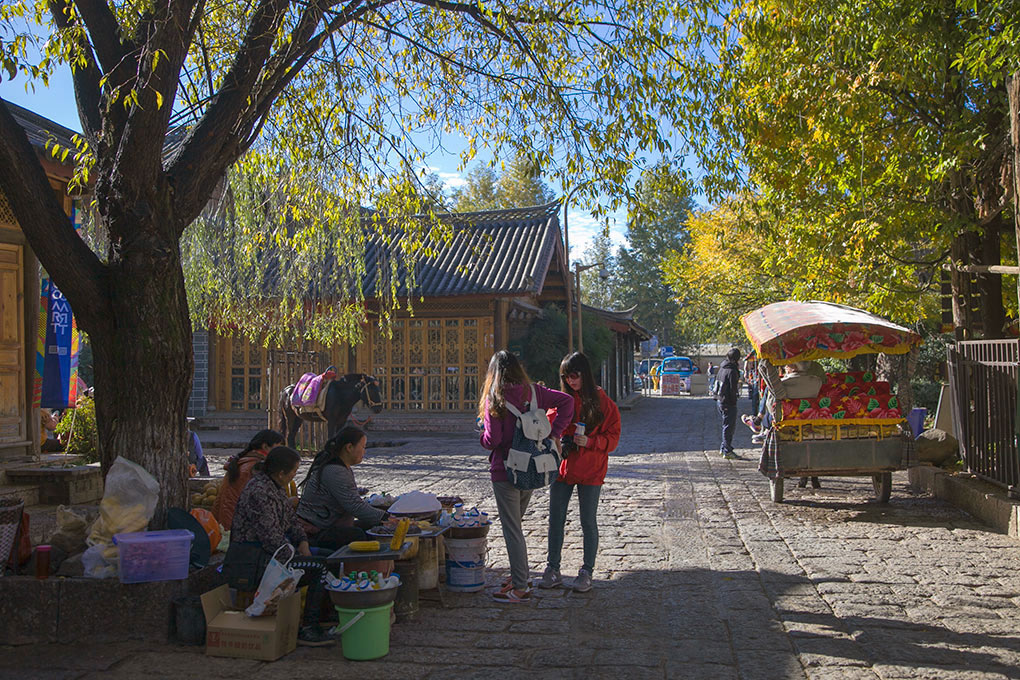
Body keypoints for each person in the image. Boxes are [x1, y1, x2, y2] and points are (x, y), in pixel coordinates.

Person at [479, 350, 573, 603]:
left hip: (505, 470)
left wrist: (482, 436)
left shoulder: (495, 398)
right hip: (532, 466)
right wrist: (554, 433)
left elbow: (493, 440)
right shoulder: (534, 392)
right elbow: (567, 402)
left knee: (512, 530)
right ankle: (519, 575)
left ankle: (521, 586)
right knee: (516, 527)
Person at [226, 445, 334, 646]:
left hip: (275, 552)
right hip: (258, 561)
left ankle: (323, 615)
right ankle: (308, 628)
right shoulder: (259, 491)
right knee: (319, 567)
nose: (294, 476)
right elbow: (272, 539)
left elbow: (292, 521)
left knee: (331, 557)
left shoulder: (275, 486)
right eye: (293, 472)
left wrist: (303, 543)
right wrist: (298, 557)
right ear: (281, 472)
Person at [540, 352, 620, 594]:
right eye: (566, 376)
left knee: (588, 522)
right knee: (555, 520)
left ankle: (587, 571)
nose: (571, 381)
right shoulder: (561, 401)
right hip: (562, 470)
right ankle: (552, 568)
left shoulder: (604, 403)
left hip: (591, 471)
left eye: (574, 375)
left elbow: (613, 438)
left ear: (584, 374)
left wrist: (591, 442)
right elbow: (547, 427)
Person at [297, 426, 386, 551]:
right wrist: (386, 518)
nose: (364, 452)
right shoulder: (334, 471)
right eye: (363, 447)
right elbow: (355, 506)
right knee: (358, 534)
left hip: (330, 525)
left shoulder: (342, 467)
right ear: (349, 447)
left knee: (370, 526)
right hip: (314, 531)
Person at [212, 429, 286, 530]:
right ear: (265, 447)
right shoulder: (253, 468)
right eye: (279, 448)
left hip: (225, 523)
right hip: (235, 529)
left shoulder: (242, 463)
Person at [716, 348, 742, 459]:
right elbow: (733, 388)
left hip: (720, 400)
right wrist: (734, 400)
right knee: (728, 427)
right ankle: (727, 450)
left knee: (726, 425)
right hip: (728, 402)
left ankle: (723, 447)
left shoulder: (722, 368)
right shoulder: (731, 371)